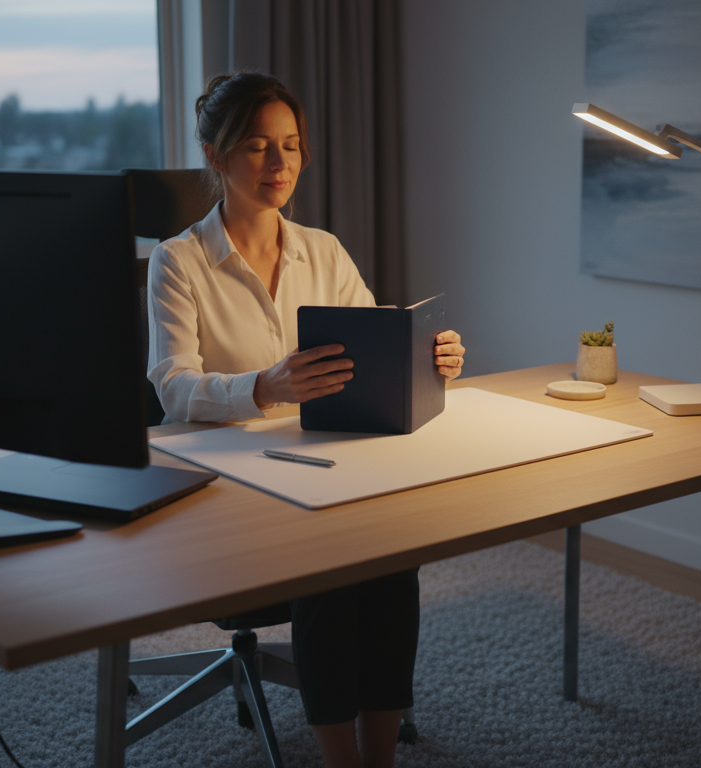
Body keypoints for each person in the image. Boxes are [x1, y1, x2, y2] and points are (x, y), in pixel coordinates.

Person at [146, 71, 465, 768]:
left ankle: (377, 756)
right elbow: (172, 388)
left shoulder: (323, 250)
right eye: (258, 146)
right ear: (216, 155)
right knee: (331, 561)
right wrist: (263, 386)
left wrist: (428, 356)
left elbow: (380, 350)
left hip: (323, 466)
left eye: (290, 145)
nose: (280, 163)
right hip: (227, 487)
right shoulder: (178, 261)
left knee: (389, 554)